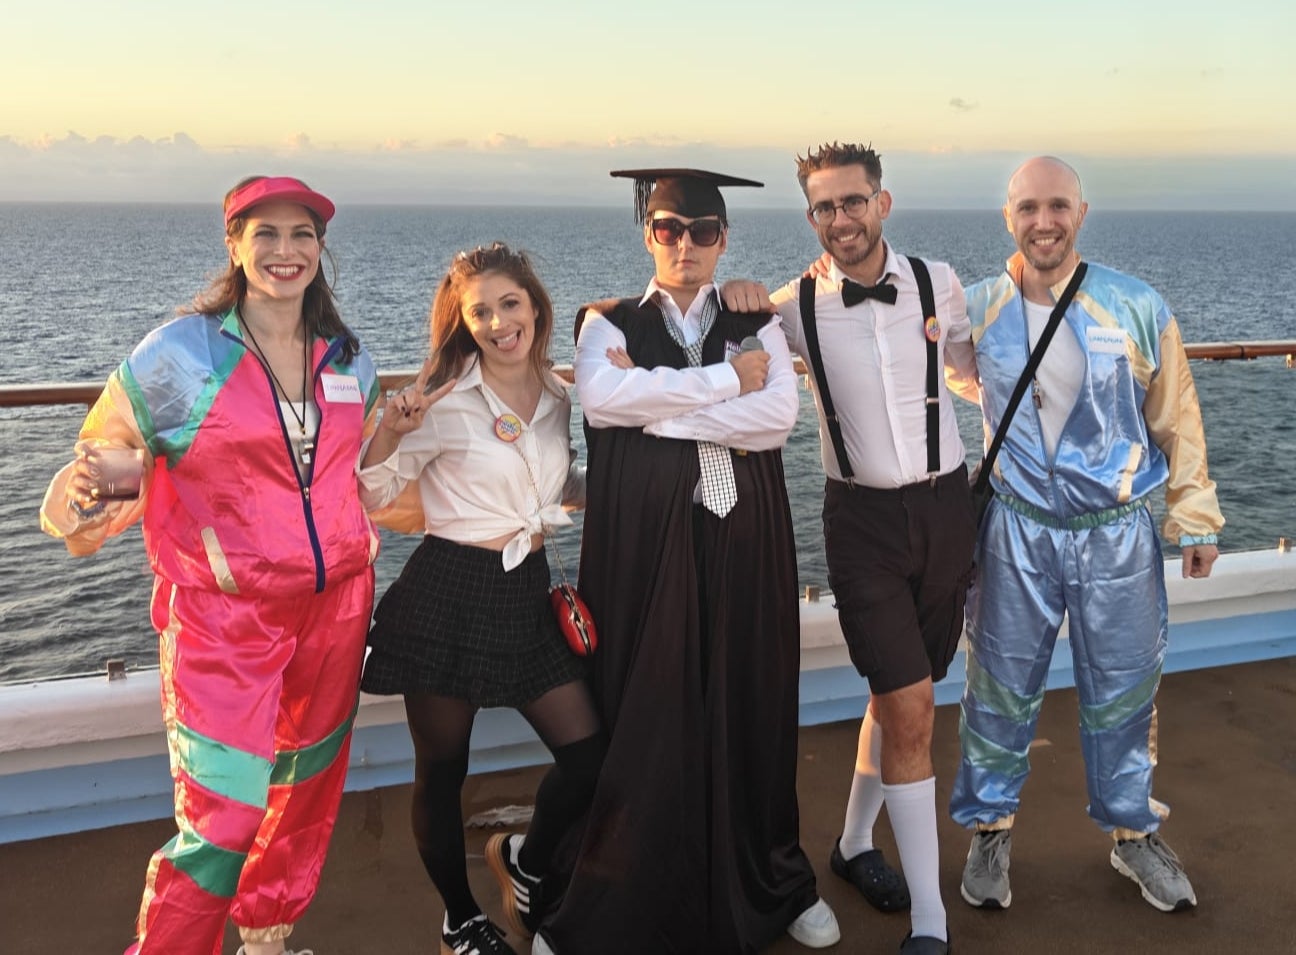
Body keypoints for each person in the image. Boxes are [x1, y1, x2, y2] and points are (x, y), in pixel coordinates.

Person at [39, 176, 380, 955]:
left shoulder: (348, 357)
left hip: (333, 610)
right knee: (222, 818)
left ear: (321, 249)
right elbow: (116, 447)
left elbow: (352, 473)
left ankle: (267, 937)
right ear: (234, 244)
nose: (285, 252)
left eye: (302, 235)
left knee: (301, 796)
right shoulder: (180, 354)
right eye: (266, 234)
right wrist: (107, 481)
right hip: (223, 619)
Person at [535, 169, 839, 954]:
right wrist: (718, 387)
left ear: (725, 239)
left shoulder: (752, 316)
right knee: (646, 702)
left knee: (751, 694)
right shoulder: (606, 322)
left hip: (745, 536)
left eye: (703, 230)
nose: (686, 244)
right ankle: (615, 887)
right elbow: (604, 402)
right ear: (649, 233)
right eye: (670, 227)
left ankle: (774, 872)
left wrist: (661, 409)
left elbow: (775, 418)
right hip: (643, 542)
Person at [949, 156, 1223, 915]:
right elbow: (871, 323)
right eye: (1030, 207)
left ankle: (1133, 832)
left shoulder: (1136, 306)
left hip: (1117, 534)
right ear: (1009, 217)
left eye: (1058, 205)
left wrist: (1194, 515)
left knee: (1127, 691)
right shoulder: (975, 307)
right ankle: (991, 827)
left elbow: (1176, 417)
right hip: (1016, 529)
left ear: (1082, 211)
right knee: (999, 687)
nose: (1045, 220)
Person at [728, 141, 977, 955]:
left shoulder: (941, 283)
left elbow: (978, 370)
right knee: (911, 707)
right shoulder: (787, 304)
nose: (841, 218)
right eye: (826, 206)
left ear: (883, 202)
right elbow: (721, 359)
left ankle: (852, 844)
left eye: (853, 201)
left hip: (948, 511)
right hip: (861, 523)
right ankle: (932, 924)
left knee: (898, 696)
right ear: (811, 217)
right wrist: (725, 308)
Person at [356, 242, 606, 955]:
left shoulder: (559, 395)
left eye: (510, 304)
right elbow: (371, 494)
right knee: (443, 769)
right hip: (449, 592)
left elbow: (558, 489)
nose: (499, 322)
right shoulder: (442, 398)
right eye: (481, 312)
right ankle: (459, 919)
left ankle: (524, 858)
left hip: (527, 589)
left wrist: (628, 484)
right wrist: (388, 432)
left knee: (589, 757)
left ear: (535, 306)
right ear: (463, 322)